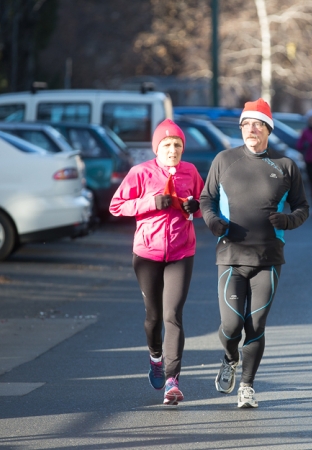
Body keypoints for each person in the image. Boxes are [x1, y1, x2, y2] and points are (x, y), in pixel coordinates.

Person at [200, 98, 309, 408]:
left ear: (268, 130)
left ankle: (247, 386)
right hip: (231, 255)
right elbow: (207, 199)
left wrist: (288, 220)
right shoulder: (224, 160)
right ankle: (229, 357)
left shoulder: (285, 166)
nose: (251, 129)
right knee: (232, 326)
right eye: (246, 124)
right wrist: (212, 221)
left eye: (258, 124)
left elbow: (303, 207)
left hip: (268, 259)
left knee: (256, 326)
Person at [109, 119, 204, 405]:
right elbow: (116, 206)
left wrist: (195, 207)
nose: (173, 150)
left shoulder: (190, 172)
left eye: (177, 145)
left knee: (172, 315)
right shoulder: (140, 172)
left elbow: (202, 204)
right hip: (147, 254)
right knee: (153, 318)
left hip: (181, 252)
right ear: (157, 148)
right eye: (167, 145)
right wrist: (151, 202)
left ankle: (173, 380)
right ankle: (155, 358)